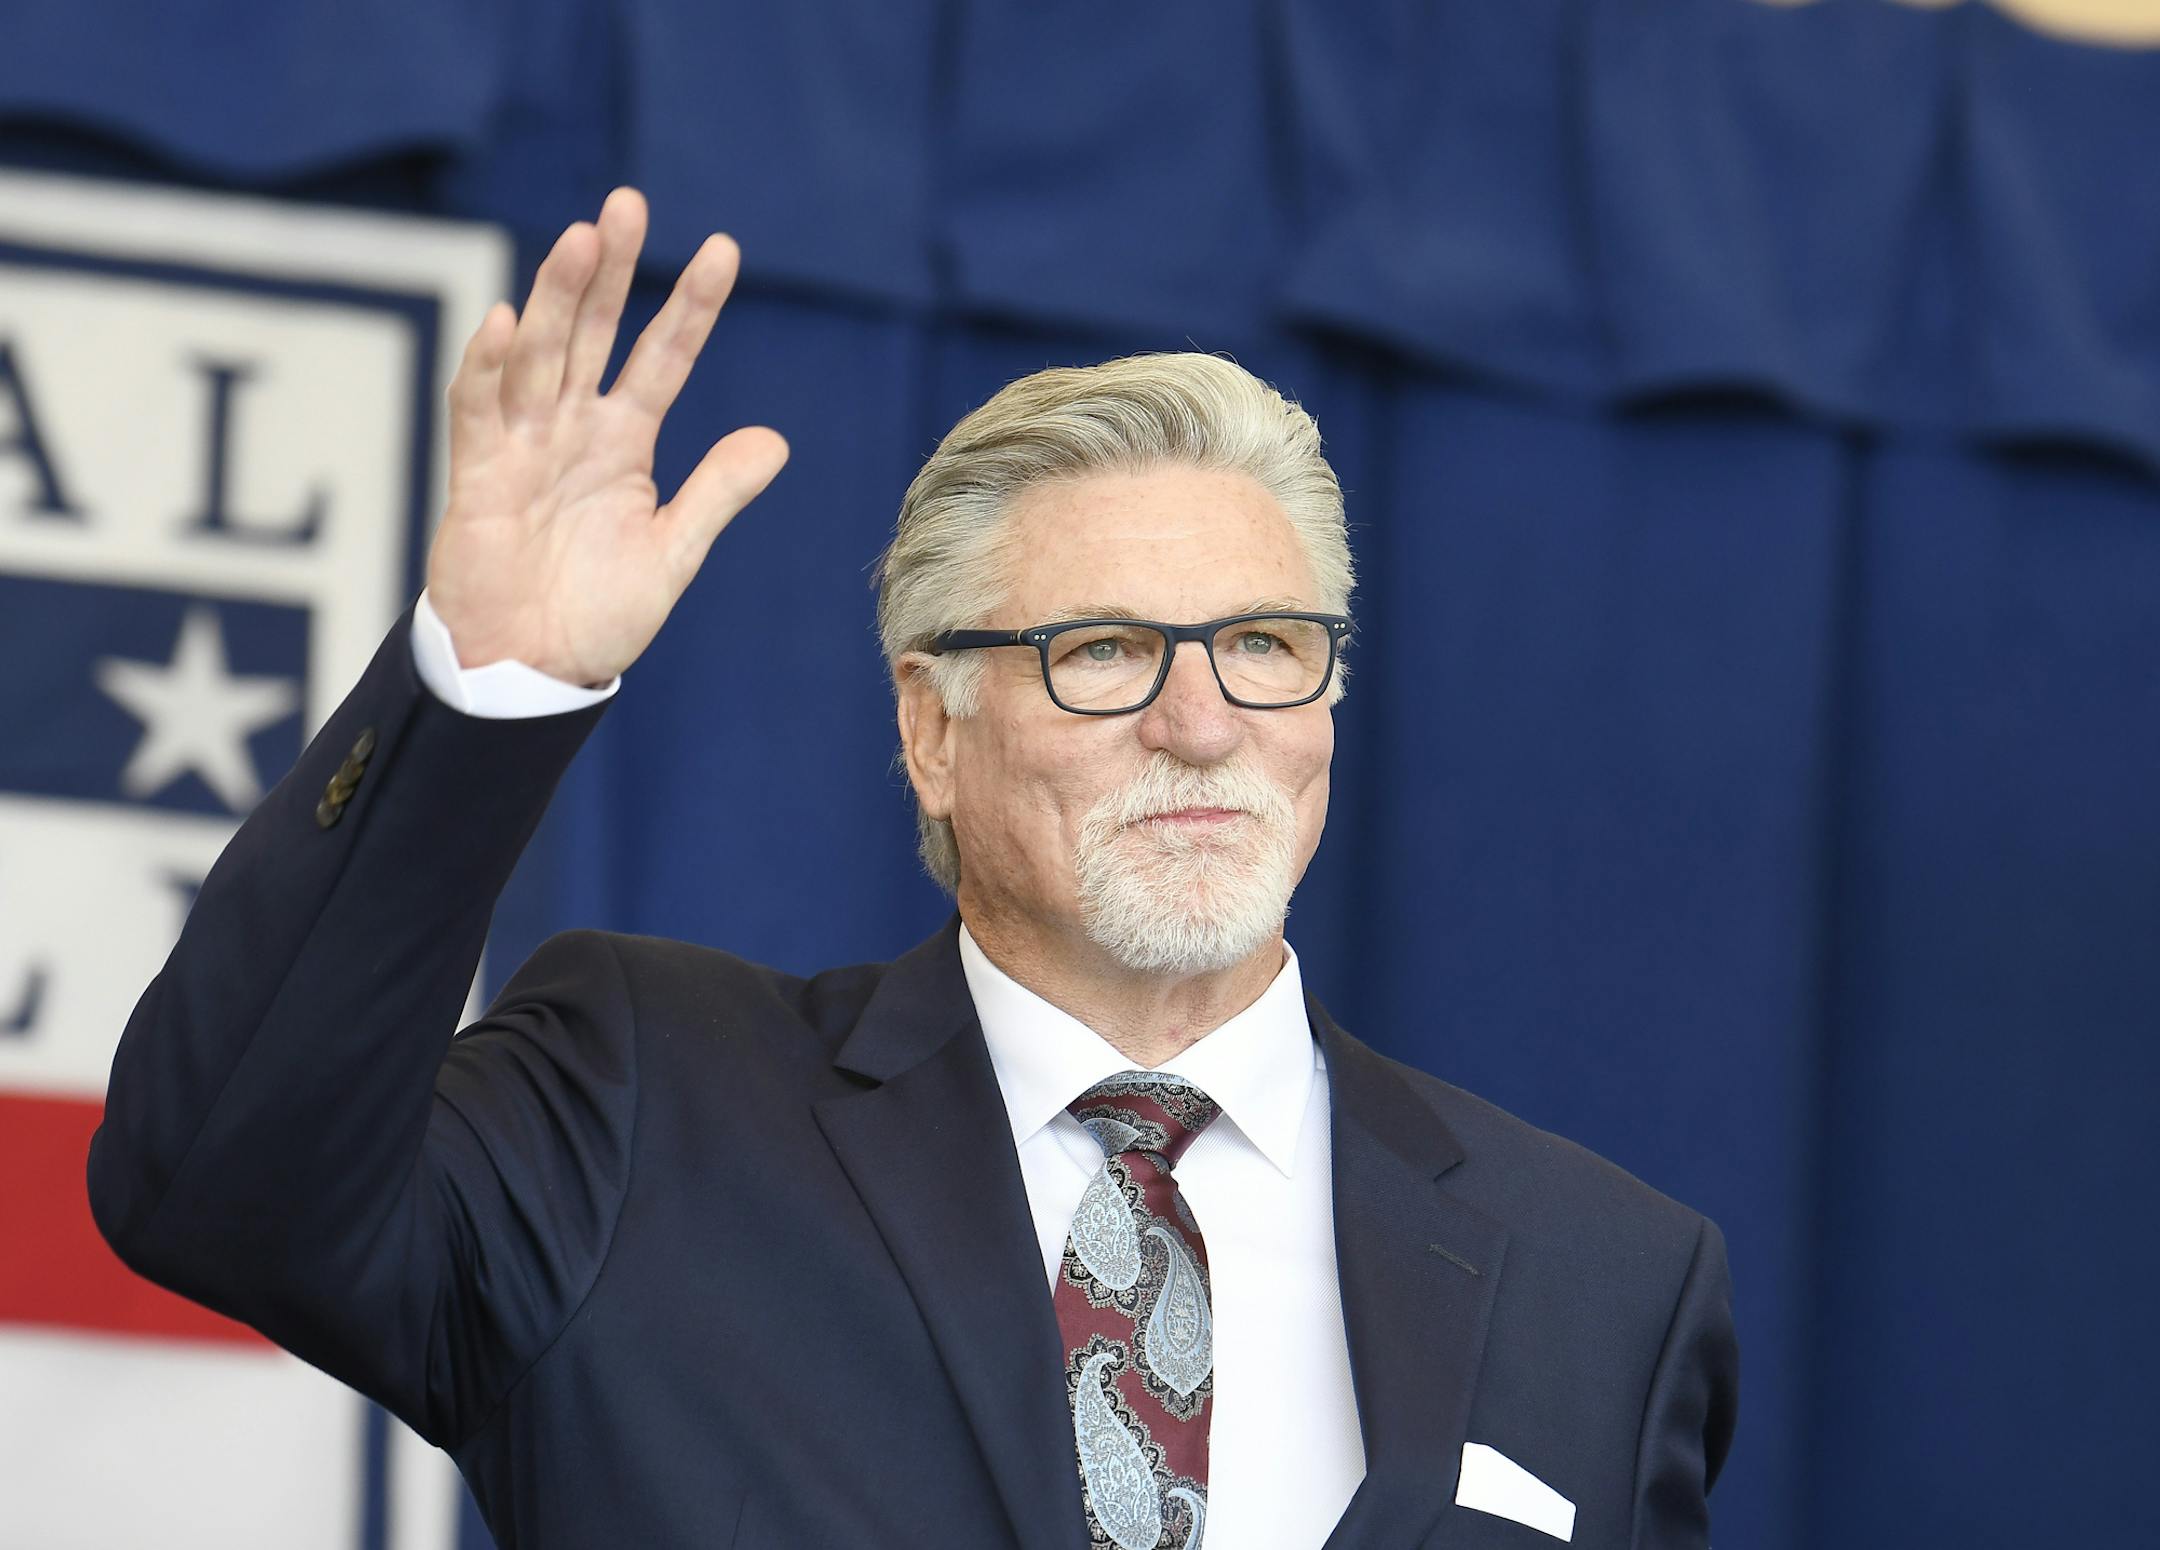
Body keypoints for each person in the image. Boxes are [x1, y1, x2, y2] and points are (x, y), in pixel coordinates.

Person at [89, 188, 1737, 1549]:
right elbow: (218, 1183)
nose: (1201, 721)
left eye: (1263, 645)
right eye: (1104, 650)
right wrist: (487, 692)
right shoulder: (644, 1105)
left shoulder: (1604, 1278)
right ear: (932, 730)